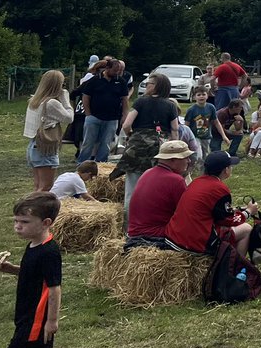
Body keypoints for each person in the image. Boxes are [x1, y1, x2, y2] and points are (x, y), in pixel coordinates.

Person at [0, 192, 63, 348]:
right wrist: (11, 269)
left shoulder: (49, 252)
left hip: (36, 319)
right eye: (15, 221)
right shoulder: (34, 245)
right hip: (27, 315)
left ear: (46, 223)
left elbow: (54, 288)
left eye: (24, 222)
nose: (17, 227)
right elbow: (33, 276)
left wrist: (51, 321)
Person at [164, 151, 258, 260]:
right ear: (226, 170)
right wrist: (248, 212)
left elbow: (212, 211)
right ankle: (234, 266)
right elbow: (228, 221)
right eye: (230, 166)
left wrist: (236, 210)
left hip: (173, 238)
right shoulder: (220, 189)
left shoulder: (196, 181)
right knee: (246, 229)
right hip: (194, 244)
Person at [114, 72, 181, 215]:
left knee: (132, 189)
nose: (146, 85)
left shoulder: (140, 102)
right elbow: (175, 130)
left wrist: (131, 136)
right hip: (159, 150)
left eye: (149, 83)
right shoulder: (170, 105)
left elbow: (126, 125)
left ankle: (129, 225)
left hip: (136, 148)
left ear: (156, 86)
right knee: (155, 187)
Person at [127, 140, 192, 238]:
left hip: (134, 233)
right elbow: (187, 213)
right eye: (186, 157)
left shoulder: (147, 172)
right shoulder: (176, 180)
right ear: (173, 159)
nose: (189, 161)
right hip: (155, 234)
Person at [23, 70, 74, 193]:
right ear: (57, 85)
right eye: (62, 84)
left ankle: (29, 209)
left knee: (37, 186)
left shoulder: (34, 100)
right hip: (45, 147)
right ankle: (34, 211)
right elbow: (69, 118)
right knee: (46, 187)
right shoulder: (51, 103)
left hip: (33, 145)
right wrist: (65, 99)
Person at [78, 58, 129, 163]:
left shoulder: (121, 82)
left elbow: (124, 99)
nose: (116, 73)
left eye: (118, 71)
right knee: (88, 142)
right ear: (107, 68)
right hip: (94, 116)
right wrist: (88, 114)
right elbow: (85, 96)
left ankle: (101, 164)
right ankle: (82, 164)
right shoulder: (94, 80)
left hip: (112, 118)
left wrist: (125, 115)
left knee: (106, 143)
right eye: (114, 70)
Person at [185, 87, 226, 159]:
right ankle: (193, 166)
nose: (201, 96)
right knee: (198, 156)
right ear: (194, 97)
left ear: (207, 96)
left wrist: (223, 135)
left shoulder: (211, 107)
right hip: (195, 137)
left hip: (206, 136)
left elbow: (216, 122)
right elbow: (186, 125)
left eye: (203, 94)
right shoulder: (191, 110)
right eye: (199, 95)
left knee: (206, 156)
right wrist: (186, 138)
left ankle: (203, 170)